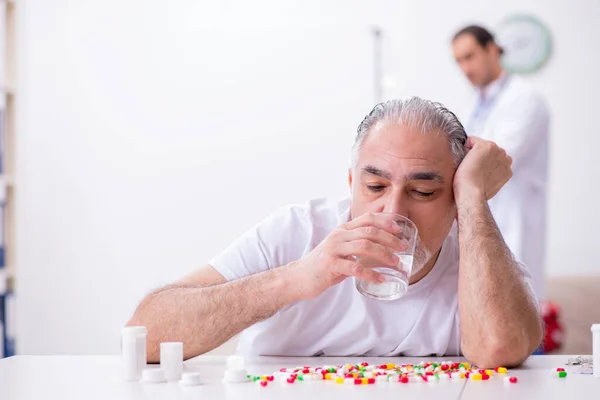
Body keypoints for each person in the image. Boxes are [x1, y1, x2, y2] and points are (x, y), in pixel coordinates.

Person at [127, 97, 542, 368]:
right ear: (350, 184)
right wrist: (295, 279)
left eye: (423, 191)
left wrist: (473, 197)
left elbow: (500, 349)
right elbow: (144, 336)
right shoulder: (296, 231)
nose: (393, 210)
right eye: (375, 187)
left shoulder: (477, 257)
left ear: (452, 200)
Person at [451, 25, 550, 302]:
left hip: (513, 216)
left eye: (469, 56)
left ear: (492, 50)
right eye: (459, 60)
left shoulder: (525, 100)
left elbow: (494, 161)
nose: (465, 68)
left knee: (516, 301)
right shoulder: (476, 102)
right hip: (485, 213)